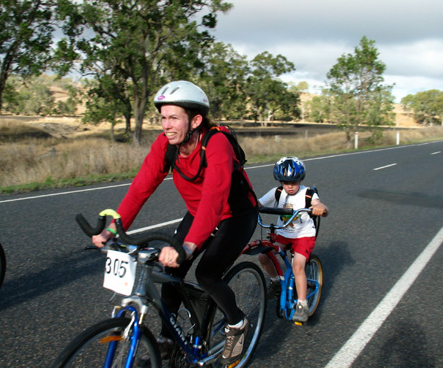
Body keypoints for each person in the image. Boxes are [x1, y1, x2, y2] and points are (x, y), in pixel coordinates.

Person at [92, 80, 257, 364]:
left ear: (195, 120)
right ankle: (169, 338)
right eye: (163, 117)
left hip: (235, 215)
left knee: (206, 275)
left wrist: (190, 245)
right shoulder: (165, 144)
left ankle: (238, 323)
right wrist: (113, 228)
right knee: (171, 272)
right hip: (198, 213)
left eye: (173, 118)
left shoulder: (216, 143)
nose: (166, 125)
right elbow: (141, 187)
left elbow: (215, 198)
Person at [257, 156, 328, 323]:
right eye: (285, 182)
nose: (289, 186)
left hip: (303, 235)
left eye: (294, 182)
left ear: (301, 180)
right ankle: (275, 281)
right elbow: (258, 203)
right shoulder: (277, 192)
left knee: (297, 266)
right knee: (263, 255)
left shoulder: (308, 193)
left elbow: (321, 205)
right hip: (284, 233)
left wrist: (319, 208)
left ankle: (302, 305)